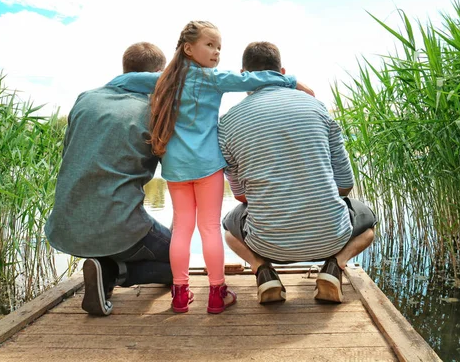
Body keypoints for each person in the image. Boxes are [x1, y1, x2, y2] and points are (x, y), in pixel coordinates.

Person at [107, 21, 314, 314]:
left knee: (181, 230)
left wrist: (107, 87)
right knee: (209, 229)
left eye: (219, 47)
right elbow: (255, 80)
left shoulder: (163, 80)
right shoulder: (215, 79)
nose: (216, 52)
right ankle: (217, 293)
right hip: (208, 168)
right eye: (210, 45)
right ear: (188, 48)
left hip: (176, 168)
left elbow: (125, 81)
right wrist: (293, 82)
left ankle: (180, 295)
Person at [218, 41, 377, 304]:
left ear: (243, 75)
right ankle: (335, 267)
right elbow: (346, 183)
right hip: (331, 239)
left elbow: (241, 196)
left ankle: (263, 271)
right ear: (282, 72)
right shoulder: (316, 108)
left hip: (266, 244)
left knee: (227, 228)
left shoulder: (228, 122)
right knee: (368, 223)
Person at [44, 42, 174, 316]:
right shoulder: (154, 110)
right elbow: (176, 175)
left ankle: (104, 269)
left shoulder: (86, 99)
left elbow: (70, 153)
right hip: (122, 226)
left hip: (68, 224)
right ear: (159, 72)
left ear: (125, 69)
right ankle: (114, 271)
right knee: (180, 261)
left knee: (118, 224)